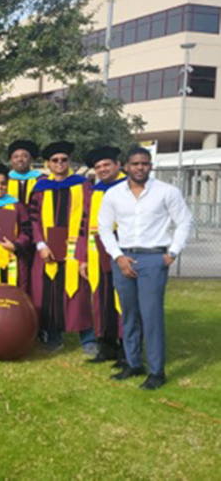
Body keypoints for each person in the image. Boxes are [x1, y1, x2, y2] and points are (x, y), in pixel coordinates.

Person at [99, 147, 193, 390]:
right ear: (126, 167)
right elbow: (105, 228)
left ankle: (156, 371)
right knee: (129, 315)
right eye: (135, 164)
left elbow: (184, 221)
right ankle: (133, 363)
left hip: (153, 259)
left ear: (150, 166)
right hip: (124, 258)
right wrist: (118, 256)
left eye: (145, 163)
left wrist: (172, 253)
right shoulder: (113, 194)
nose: (140, 168)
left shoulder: (166, 192)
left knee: (151, 316)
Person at [28, 141, 95, 354]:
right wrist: (40, 245)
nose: (59, 163)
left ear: (69, 162)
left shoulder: (82, 185)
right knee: (48, 293)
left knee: (79, 294)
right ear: (48, 164)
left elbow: (88, 217)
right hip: (46, 250)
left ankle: (88, 339)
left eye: (63, 160)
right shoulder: (39, 188)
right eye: (55, 160)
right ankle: (53, 337)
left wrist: (82, 250)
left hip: (76, 249)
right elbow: (33, 220)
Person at [78, 147, 127, 366]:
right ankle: (107, 347)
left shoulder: (130, 186)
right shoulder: (94, 191)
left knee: (124, 301)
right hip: (97, 251)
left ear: (118, 164)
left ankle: (127, 350)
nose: (102, 169)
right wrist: (83, 258)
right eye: (98, 167)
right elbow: (84, 223)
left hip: (124, 250)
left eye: (107, 165)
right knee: (101, 299)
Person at [7, 140, 44, 205]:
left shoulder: (42, 180)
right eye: (16, 157)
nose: (20, 159)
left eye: (24, 156)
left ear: (31, 159)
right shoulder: (4, 180)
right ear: (11, 160)